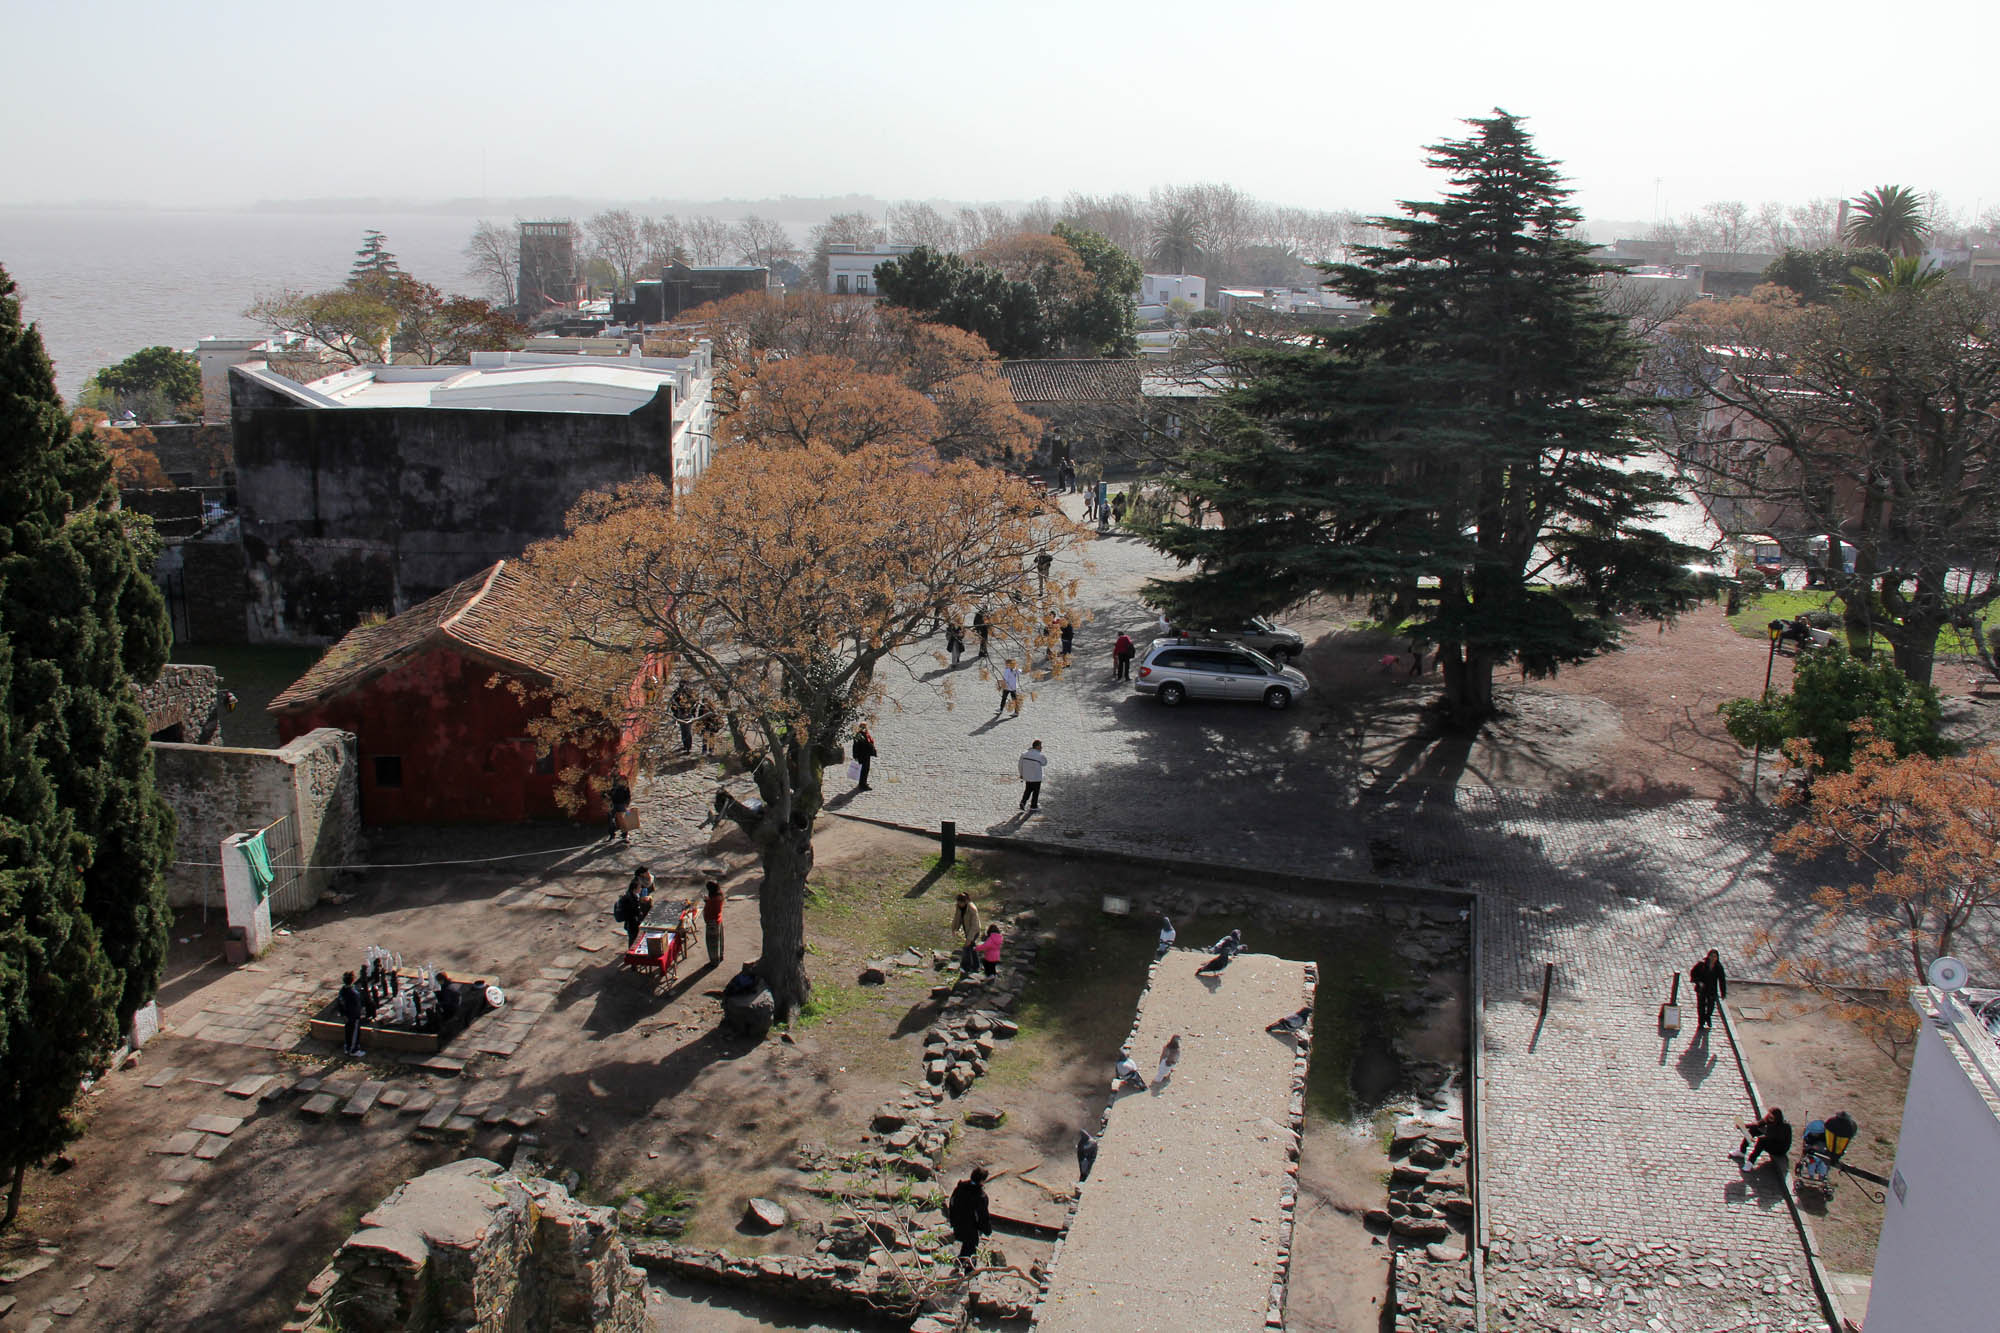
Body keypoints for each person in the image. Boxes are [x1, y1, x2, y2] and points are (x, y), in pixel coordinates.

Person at [946, 1168, 993, 1268]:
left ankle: (961, 1262)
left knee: (966, 1245)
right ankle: (967, 1270)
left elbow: (952, 1203)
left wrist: (952, 1219)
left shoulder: (960, 1188)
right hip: (970, 1227)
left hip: (957, 1222)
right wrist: (987, 1230)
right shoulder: (980, 1197)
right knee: (971, 1246)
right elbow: (983, 1216)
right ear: (982, 1181)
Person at [1730, 1107, 1793, 1171]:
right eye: (1769, 1116)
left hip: (1779, 1148)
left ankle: (1750, 1162)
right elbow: (1758, 1124)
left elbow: (1772, 1136)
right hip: (1771, 1138)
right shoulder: (1769, 1119)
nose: (1769, 1119)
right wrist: (1743, 1126)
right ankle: (1742, 1151)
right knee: (1753, 1129)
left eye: (1771, 1118)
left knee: (1762, 1141)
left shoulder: (1784, 1127)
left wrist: (1760, 1136)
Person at [1690, 949, 1727, 1032]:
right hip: (1702, 989)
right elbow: (1693, 973)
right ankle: (1701, 1022)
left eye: (1715, 957)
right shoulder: (1702, 965)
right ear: (1709, 956)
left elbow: (1722, 980)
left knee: (1711, 1006)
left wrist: (1723, 992)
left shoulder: (1719, 967)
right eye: (1712, 956)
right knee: (1701, 1006)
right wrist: (1698, 982)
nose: (1713, 958)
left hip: (1712, 990)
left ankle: (1708, 1016)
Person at [337, 970, 365, 1057]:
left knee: (348, 1032)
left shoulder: (342, 990)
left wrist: (342, 1014)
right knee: (354, 1033)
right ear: (353, 980)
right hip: (353, 1017)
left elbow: (340, 1003)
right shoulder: (354, 993)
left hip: (346, 1016)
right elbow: (356, 1006)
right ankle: (353, 1050)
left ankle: (347, 1047)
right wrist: (359, 1014)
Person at [1018, 739, 1048, 812]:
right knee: (1035, 791)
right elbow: (1044, 763)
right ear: (1037, 746)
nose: (1041, 748)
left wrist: (1021, 774)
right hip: (1036, 776)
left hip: (1027, 776)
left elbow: (1020, 765)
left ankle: (1023, 802)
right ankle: (1033, 806)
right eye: (1040, 746)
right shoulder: (1040, 755)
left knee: (1028, 790)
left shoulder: (1024, 754)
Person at [670, 683, 698, 753]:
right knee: (685, 731)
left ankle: (688, 746)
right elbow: (673, 704)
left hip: (687, 714)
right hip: (682, 714)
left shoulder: (689, 693)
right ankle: (686, 746)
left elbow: (694, 703)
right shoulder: (677, 693)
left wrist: (693, 711)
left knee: (686, 731)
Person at [703, 880, 725, 965]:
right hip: (717, 921)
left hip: (712, 923)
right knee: (719, 940)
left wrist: (707, 901)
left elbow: (711, 909)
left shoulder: (714, 900)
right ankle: (720, 956)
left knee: (712, 944)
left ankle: (714, 962)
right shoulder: (719, 895)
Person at [851, 726, 877, 792]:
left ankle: (862, 782)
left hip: (866, 755)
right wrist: (856, 756)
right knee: (864, 770)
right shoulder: (859, 736)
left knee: (865, 769)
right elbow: (855, 746)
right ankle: (863, 784)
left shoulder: (865, 734)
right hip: (863, 756)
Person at [607, 779, 633, 843]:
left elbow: (627, 791)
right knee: (611, 820)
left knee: (623, 819)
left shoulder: (623, 778)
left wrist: (627, 802)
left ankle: (625, 835)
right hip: (612, 803)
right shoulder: (609, 779)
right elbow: (606, 792)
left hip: (622, 803)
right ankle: (612, 835)